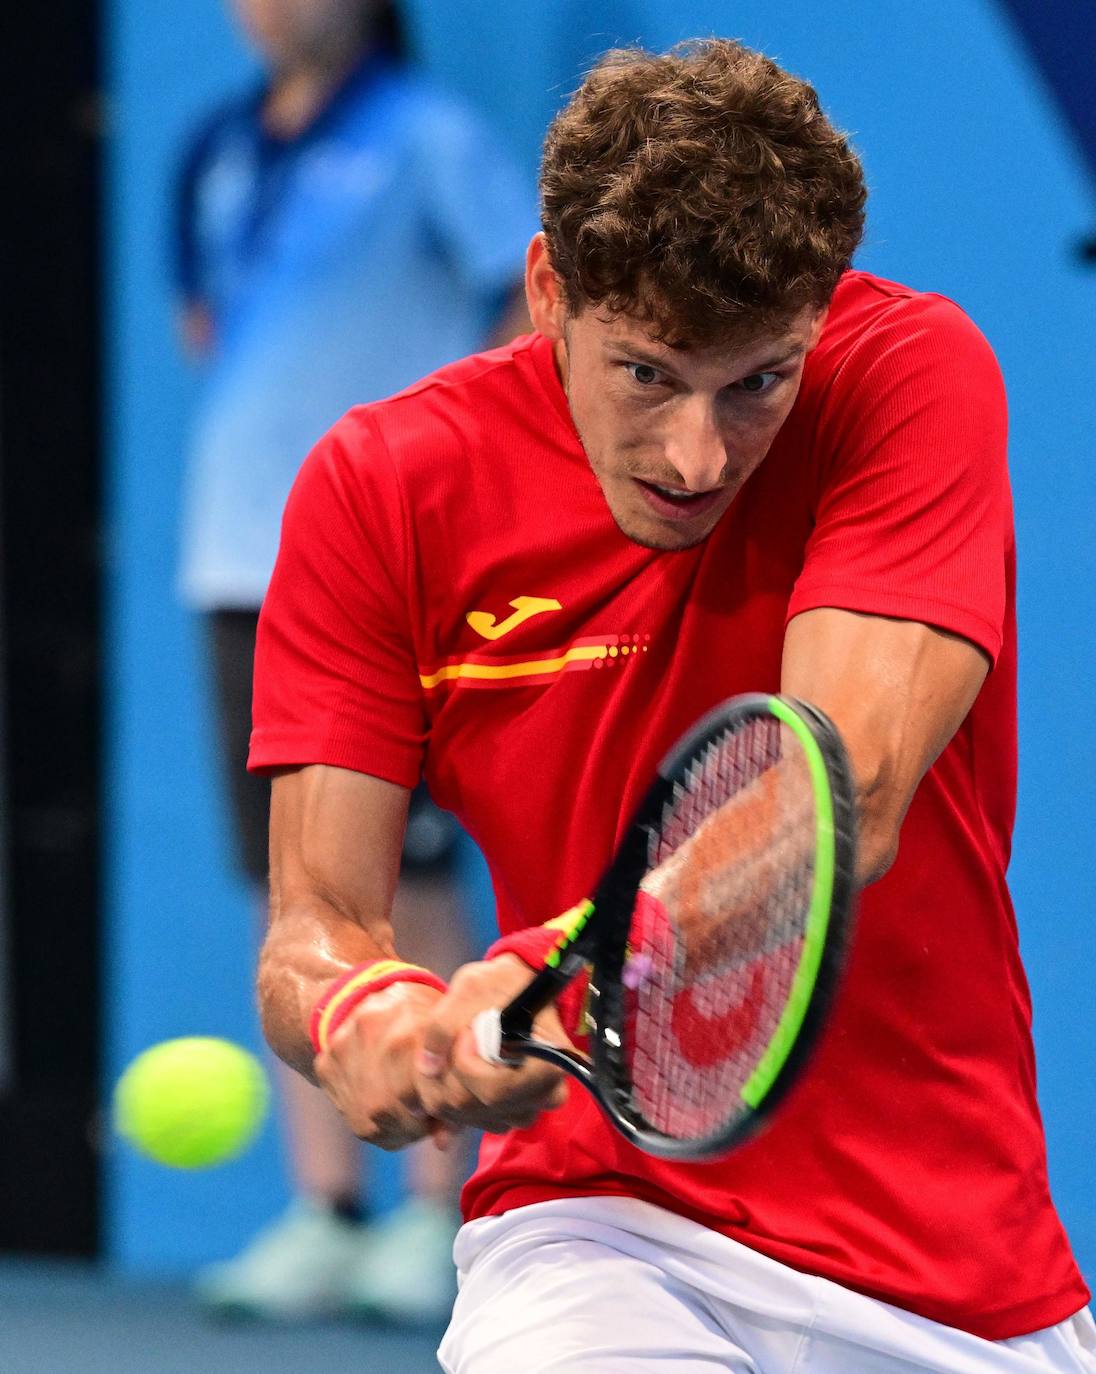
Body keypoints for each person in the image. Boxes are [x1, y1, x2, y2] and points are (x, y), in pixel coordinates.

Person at [248, 37, 1096, 1374]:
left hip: (953, 1268)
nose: (697, 454)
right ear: (548, 292)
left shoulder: (908, 373)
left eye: (756, 379)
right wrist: (361, 1016)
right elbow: (321, 918)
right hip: (597, 1237)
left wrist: (573, 972)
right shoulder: (381, 488)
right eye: (646, 372)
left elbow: (840, 796)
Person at [172, 0, 534, 1323]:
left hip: (399, 565)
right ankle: (324, 1207)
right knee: (296, 892)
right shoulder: (216, 148)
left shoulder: (430, 134)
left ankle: (436, 1203)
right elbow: (205, 329)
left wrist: (452, 484)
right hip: (236, 558)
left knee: (418, 878)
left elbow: (520, 299)